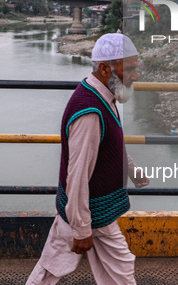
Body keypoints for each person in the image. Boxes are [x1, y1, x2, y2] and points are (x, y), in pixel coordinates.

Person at [27, 33, 149, 285]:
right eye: (131, 68)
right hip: (92, 212)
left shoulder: (104, 95)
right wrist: (81, 229)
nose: (136, 75)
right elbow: (78, 173)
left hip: (87, 210)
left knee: (52, 267)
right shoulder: (90, 112)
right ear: (105, 68)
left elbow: (111, 144)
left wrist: (131, 170)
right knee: (119, 269)